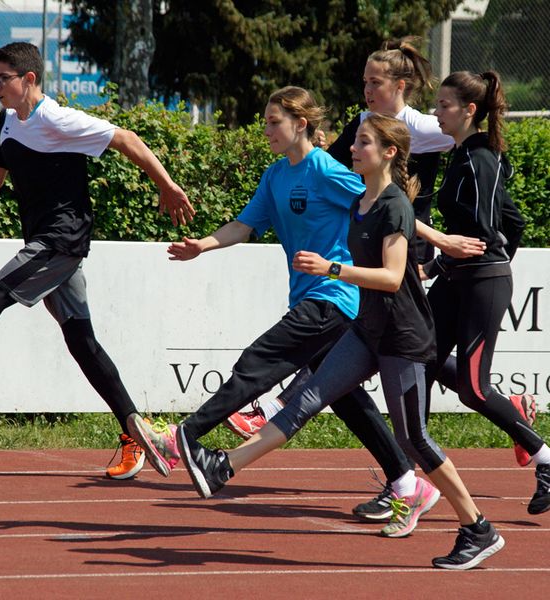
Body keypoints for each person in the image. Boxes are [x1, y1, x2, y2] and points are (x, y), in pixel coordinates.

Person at [177, 113, 506, 570]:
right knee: (306, 398)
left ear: (389, 153)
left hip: (401, 338)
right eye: (355, 142)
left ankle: (477, 527)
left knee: (413, 438)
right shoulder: (360, 203)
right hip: (366, 330)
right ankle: (224, 467)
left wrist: (331, 269)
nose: (353, 148)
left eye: (364, 143)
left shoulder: (393, 204)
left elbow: (392, 278)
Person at [226, 37, 536, 485]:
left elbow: (478, 173)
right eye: (364, 81)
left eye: (375, 82)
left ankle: (294, 413)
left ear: (400, 85)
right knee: (412, 354)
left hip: (411, 252)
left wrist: (453, 247)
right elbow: (333, 174)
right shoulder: (364, 123)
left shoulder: (426, 128)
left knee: (403, 350)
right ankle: (411, 476)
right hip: (393, 250)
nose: (367, 89)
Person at [144, 85, 441, 534]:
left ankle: (184, 436)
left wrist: (437, 240)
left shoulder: (325, 169)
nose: (266, 130)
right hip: (310, 297)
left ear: (300, 124)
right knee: (344, 398)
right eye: (265, 121)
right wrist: (202, 246)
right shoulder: (276, 176)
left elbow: (384, 203)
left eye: (273, 122)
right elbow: (245, 225)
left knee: (259, 360)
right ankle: (406, 480)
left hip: (336, 299)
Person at [0, 42, 191, 476]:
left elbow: (127, 139)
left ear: (28, 80)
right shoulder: (6, 122)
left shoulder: (57, 119)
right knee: (82, 341)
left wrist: (167, 187)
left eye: (3, 78)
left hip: (60, 242)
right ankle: (137, 433)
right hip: (50, 244)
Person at [416, 70, 550, 515]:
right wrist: (460, 261)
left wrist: (455, 263)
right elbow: (512, 224)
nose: (436, 111)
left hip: (478, 283)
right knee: (419, 360)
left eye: (444, 105)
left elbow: (483, 230)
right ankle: (411, 477)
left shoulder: (480, 161)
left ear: (468, 111)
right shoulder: (465, 156)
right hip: (463, 278)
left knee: (473, 390)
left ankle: (545, 457)